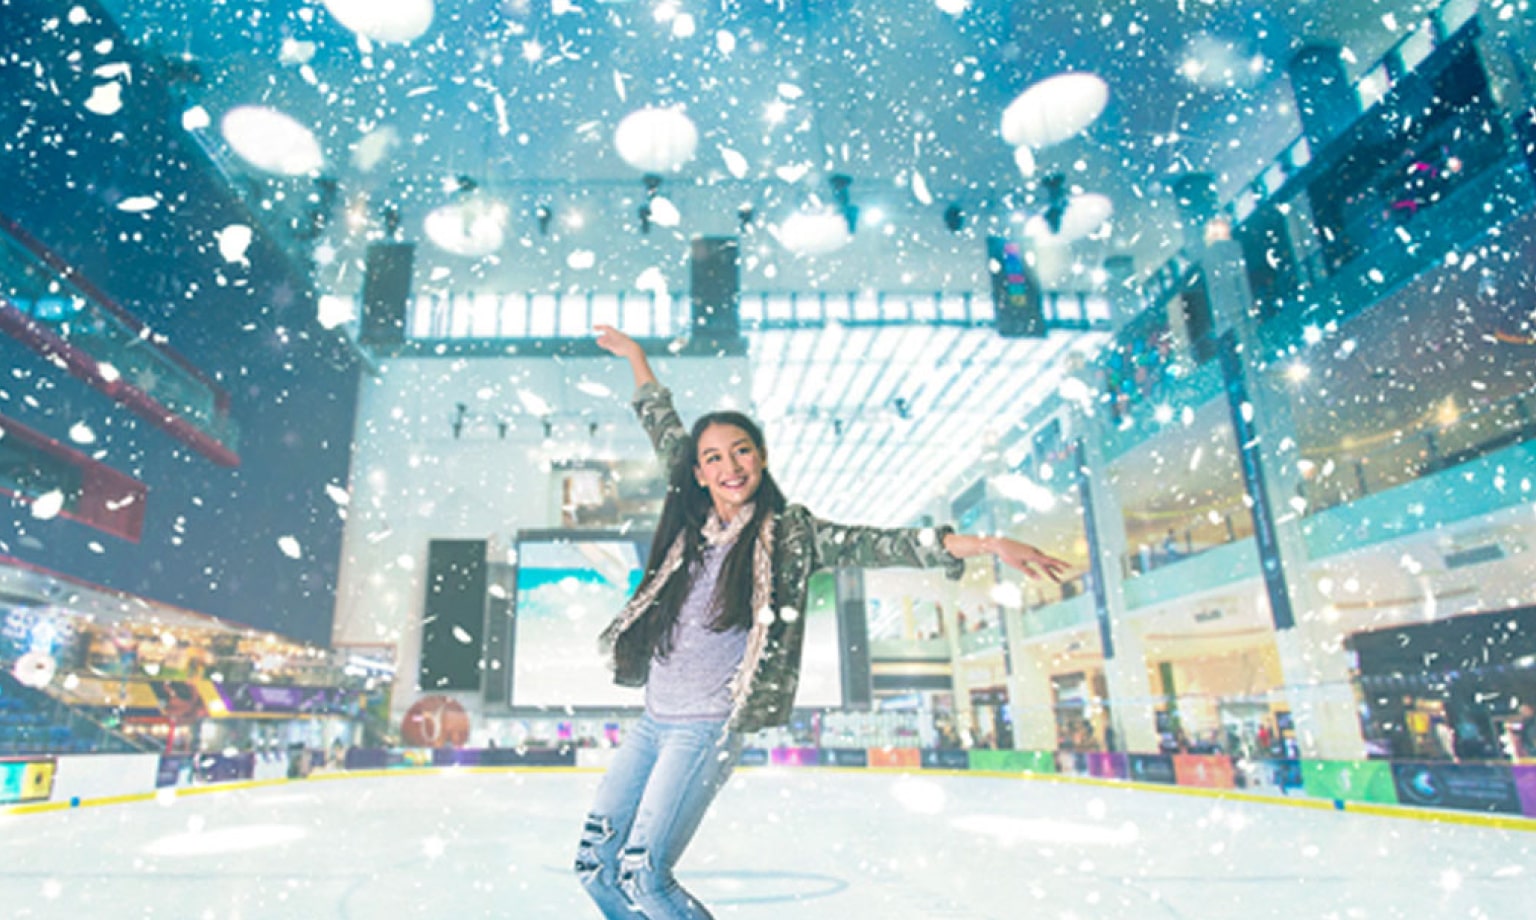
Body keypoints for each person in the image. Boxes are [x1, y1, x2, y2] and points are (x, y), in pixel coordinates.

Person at [574, 326, 1070, 919]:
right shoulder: (688, 523)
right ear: (699, 473)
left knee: (644, 876)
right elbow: (663, 426)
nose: (729, 465)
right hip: (653, 721)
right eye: (713, 457)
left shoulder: (789, 536)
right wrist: (636, 356)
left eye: (741, 451)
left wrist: (986, 542)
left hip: (703, 728)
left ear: (760, 459)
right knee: (597, 868)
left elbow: (882, 545)